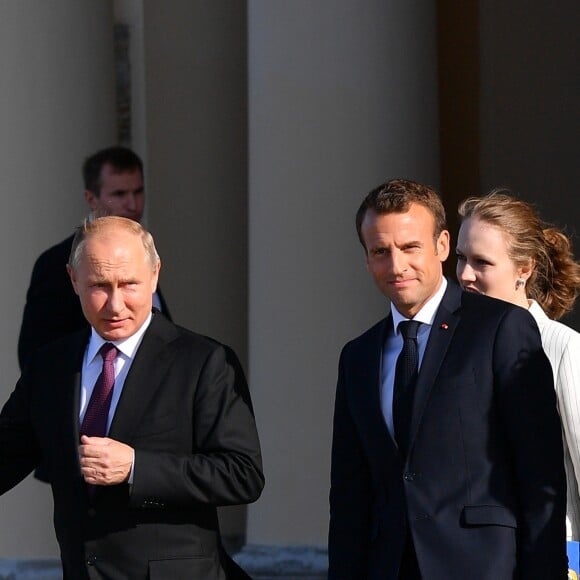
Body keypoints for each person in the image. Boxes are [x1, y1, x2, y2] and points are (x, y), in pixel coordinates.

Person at [328, 178, 567, 579]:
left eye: (410, 247)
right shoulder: (358, 356)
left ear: (441, 246)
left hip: (483, 566)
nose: (396, 265)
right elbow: (350, 495)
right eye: (380, 251)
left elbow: (539, 472)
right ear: (366, 259)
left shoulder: (500, 329)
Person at [0, 216, 263, 579]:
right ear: (73, 280)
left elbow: (242, 474)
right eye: (99, 286)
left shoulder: (204, 361)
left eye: (129, 284)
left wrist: (137, 468)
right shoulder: (50, 366)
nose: (115, 304)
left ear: (155, 276)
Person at [456, 189, 580, 541]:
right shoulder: (451, 347)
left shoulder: (563, 347)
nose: (465, 275)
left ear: (523, 269)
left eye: (482, 262)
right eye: (461, 258)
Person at [18, 145, 171, 371]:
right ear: (91, 198)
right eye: (119, 194)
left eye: (138, 192)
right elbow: (37, 353)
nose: (133, 204)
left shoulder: (140, 250)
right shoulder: (55, 263)